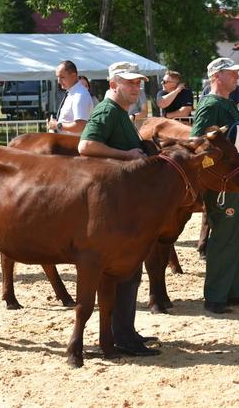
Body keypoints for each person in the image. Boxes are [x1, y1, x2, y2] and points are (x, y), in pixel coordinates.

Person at [78, 61, 159, 357]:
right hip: (110, 205)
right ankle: (121, 335)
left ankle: (125, 331)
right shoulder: (107, 111)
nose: (136, 88)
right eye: (130, 83)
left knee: (130, 271)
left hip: (118, 204)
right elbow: (85, 147)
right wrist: (126, 154)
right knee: (124, 271)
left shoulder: (119, 112)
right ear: (114, 85)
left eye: (138, 83)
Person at [191, 57, 239, 314]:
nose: (237, 77)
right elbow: (196, 140)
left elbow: (233, 136)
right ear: (217, 76)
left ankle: (234, 291)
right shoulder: (210, 105)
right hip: (225, 181)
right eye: (232, 73)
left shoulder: (227, 103)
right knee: (224, 236)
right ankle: (216, 296)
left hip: (238, 179)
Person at [47, 61, 93, 135]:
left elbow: (80, 126)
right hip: (67, 143)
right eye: (57, 77)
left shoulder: (79, 95)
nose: (58, 81)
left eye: (62, 77)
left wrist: (57, 125)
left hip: (74, 144)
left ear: (73, 76)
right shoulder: (72, 93)